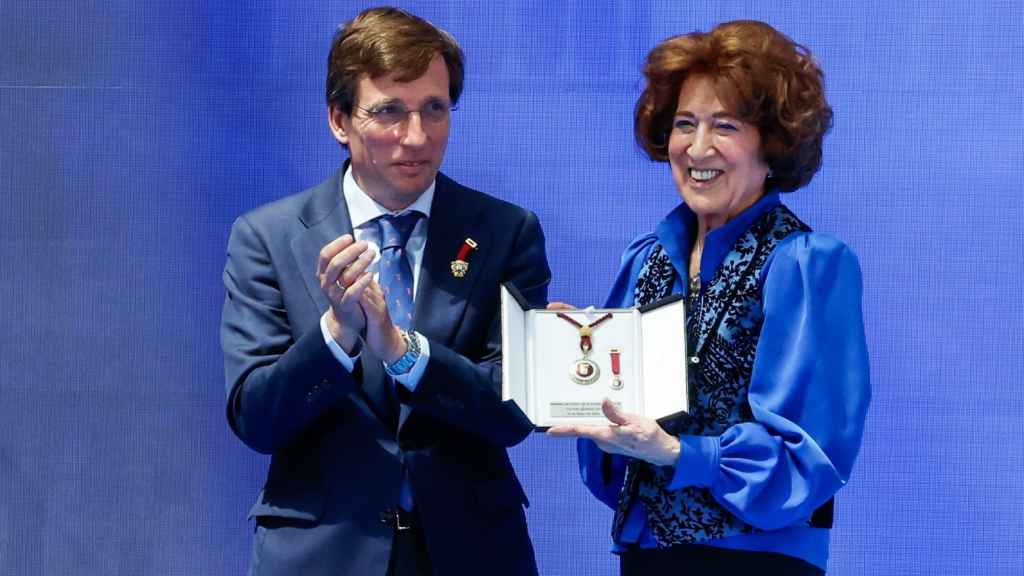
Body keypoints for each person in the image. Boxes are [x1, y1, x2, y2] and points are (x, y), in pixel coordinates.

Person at [220, 7, 549, 576]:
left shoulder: (504, 232)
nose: (416, 137)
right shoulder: (268, 238)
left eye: (435, 110)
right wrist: (337, 334)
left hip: (471, 552)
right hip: (321, 554)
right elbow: (257, 418)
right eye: (389, 112)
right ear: (339, 120)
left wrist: (403, 352)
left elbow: (515, 412)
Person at [547, 20, 870, 575]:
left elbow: (809, 457)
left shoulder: (806, 263)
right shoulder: (646, 258)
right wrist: (576, 362)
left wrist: (678, 453)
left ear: (773, 143)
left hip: (758, 560)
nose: (698, 148)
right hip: (648, 554)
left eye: (726, 126)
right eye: (684, 124)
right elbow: (611, 451)